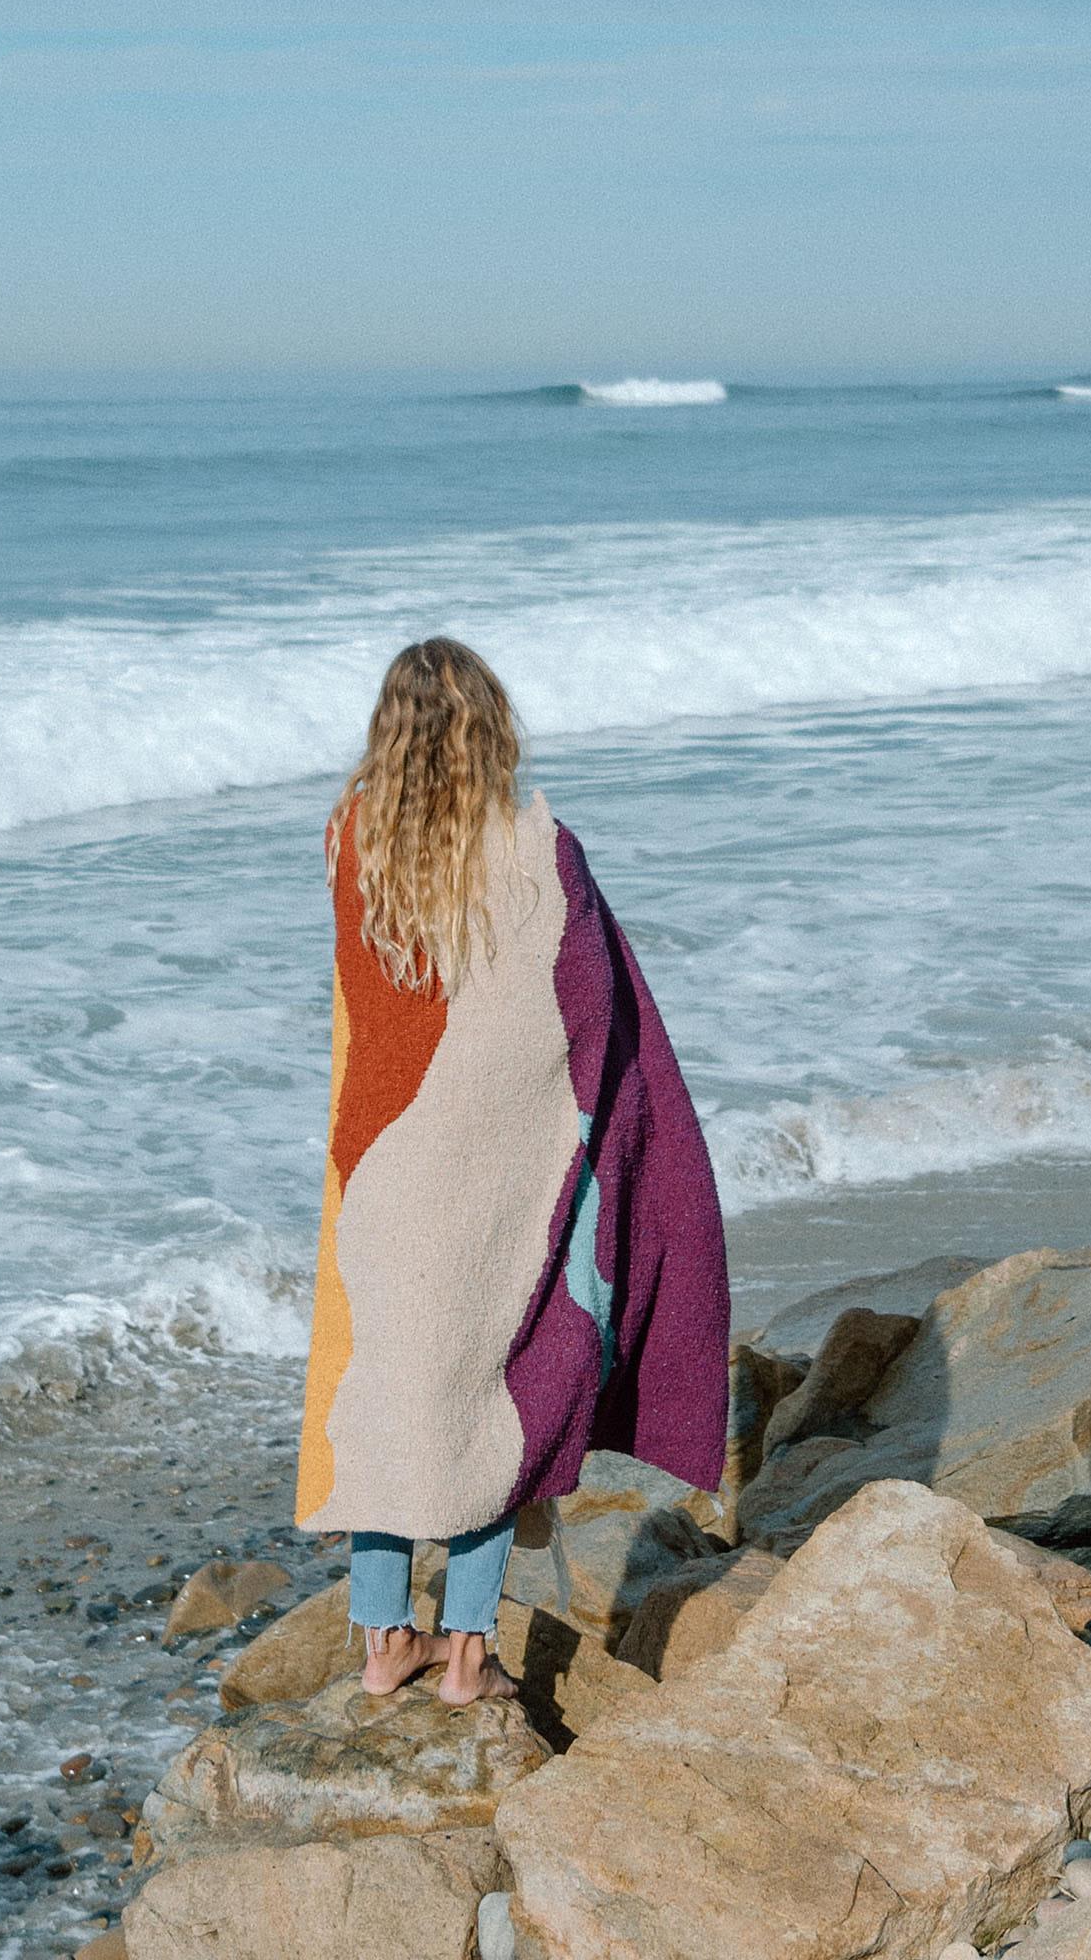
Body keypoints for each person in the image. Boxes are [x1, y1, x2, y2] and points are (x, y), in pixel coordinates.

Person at [294, 637, 731, 1705]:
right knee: (503, 1382)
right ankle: (466, 1652)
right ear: (493, 729)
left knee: (395, 1392)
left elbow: (374, 1016)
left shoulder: (351, 844)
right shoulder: (544, 850)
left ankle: (382, 1639)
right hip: (504, 1173)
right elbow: (586, 1019)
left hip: (385, 1167)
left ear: (386, 734)